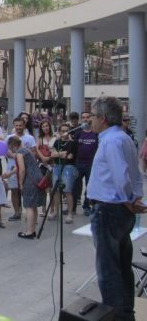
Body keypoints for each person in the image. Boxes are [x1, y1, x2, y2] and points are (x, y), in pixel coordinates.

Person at [88, 96, 145, 321]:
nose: (90, 120)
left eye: (92, 116)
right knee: (122, 267)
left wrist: (129, 200)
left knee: (108, 271)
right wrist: (134, 198)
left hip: (109, 210)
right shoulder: (123, 137)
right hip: (119, 210)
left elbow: (122, 176)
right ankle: (125, 314)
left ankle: (115, 317)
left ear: (102, 118)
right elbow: (136, 175)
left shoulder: (111, 141)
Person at [9, 136, 43, 240]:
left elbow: (22, 169)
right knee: (33, 205)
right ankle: (32, 230)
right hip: (37, 179)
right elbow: (20, 167)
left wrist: (20, 183)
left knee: (28, 206)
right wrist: (9, 174)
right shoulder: (26, 150)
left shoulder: (19, 152)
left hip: (30, 180)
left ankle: (29, 232)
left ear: (12, 145)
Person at [50, 124, 78, 223]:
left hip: (68, 167)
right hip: (57, 166)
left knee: (67, 190)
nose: (65, 133)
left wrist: (58, 154)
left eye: (67, 131)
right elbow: (52, 154)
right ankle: (56, 211)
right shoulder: (57, 142)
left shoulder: (73, 143)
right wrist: (62, 154)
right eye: (62, 131)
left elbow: (70, 157)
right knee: (56, 190)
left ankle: (70, 213)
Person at [72, 111, 97, 216]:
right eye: (83, 117)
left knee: (89, 186)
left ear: (91, 118)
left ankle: (86, 206)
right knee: (75, 186)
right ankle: (72, 207)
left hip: (91, 164)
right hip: (78, 163)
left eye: (87, 117)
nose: (85, 119)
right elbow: (73, 147)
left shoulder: (96, 132)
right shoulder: (78, 132)